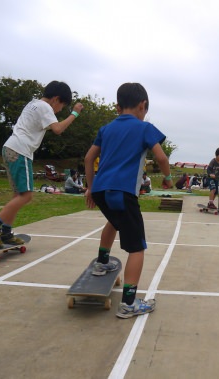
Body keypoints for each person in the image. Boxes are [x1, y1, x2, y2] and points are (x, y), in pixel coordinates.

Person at [84, 82, 173, 319]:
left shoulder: (106, 129)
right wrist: (168, 179)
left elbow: (89, 157)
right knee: (136, 248)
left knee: (114, 221)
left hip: (102, 190)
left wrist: (90, 188)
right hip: (123, 191)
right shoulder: (145, 128)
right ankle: (129, 303)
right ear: (143, 106)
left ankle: (102, 262)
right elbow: (162, 157)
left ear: (117, 106)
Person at [0, 81, 84, 248]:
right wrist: (74, 114)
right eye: (61, 107)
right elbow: (57, 129)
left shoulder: (33, 104)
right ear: (56, 99)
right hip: (21, 151)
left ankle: (6, 233)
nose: (58, 111)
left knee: (18, 195)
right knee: (26, 195)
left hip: (10, 148)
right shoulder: (45, 107)